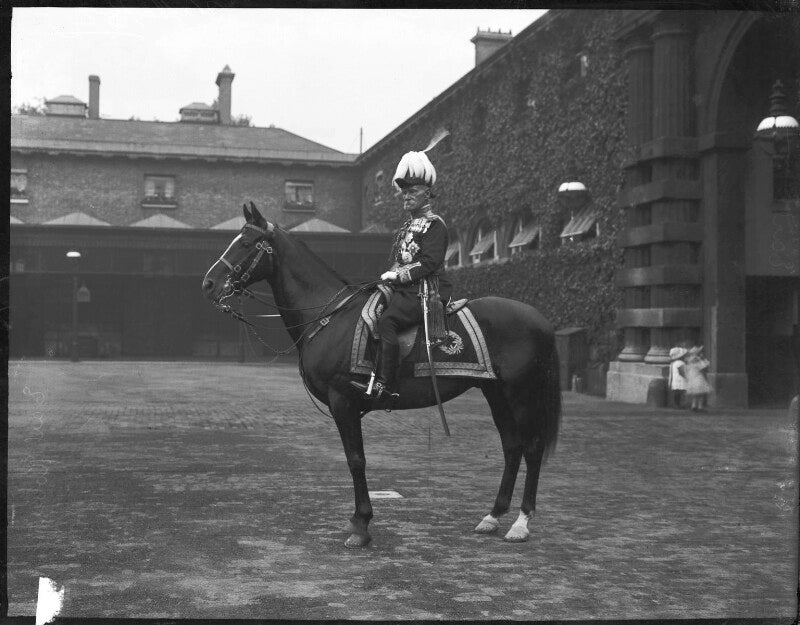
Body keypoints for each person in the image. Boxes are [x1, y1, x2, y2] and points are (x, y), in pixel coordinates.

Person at [351, 149, 452, 404]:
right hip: (406, 289)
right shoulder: (408, 226)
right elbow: (400, 258)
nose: (406, 196)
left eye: (412, 191)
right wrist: (386, 278)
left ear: (426, 193)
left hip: (427, 291)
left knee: (388, 322)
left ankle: (386, 384)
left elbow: (429, 263)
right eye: (404, 192)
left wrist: (397, 277)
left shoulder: (435, 225)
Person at [684, 345, 711, 411]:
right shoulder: (697, 360)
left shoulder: (689, 360)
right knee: (701, 393)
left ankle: (694, 405)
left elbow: (687, 368)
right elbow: (704, 366)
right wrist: (703, 359)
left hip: (692, 377)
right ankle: (700, 406)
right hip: (698, 377)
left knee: (695, 394)